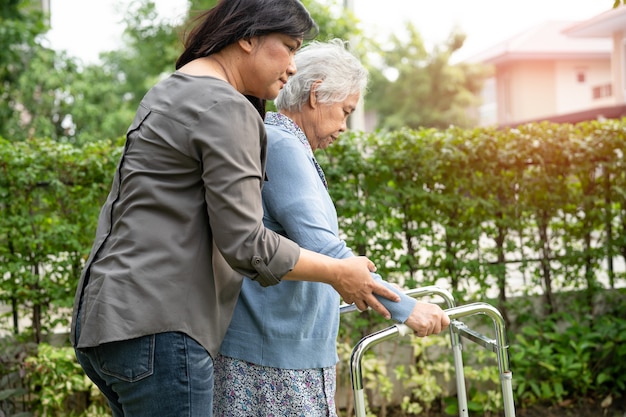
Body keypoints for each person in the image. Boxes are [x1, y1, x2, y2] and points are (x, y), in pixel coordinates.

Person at [69, 2, 402, 416]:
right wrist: (338, 271)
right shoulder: (227, 106)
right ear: (248, 37)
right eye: (289, 46)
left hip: (105, 321)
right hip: (163, 329)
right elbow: (246, 243)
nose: (294, 66)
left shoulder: (169, 89)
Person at [213, 39, 451, 417]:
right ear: (316, 93)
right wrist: (408, 308)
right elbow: (325, 248)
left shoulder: (285, 144)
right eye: (344, 111)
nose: (343, 126)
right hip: (272, 358)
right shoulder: (281, 145)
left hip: (286, 350)